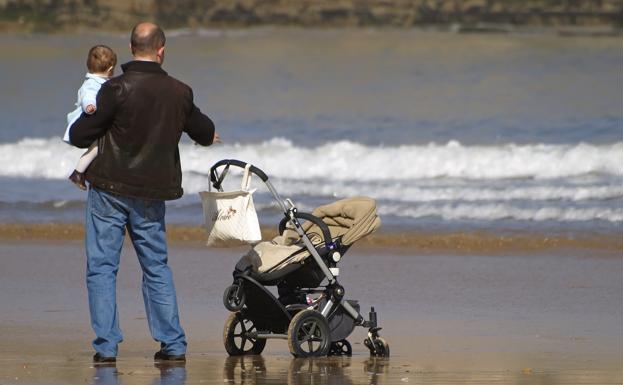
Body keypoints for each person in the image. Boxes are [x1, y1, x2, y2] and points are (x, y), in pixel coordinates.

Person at [69, 22, 219, 364]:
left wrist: (85, 116)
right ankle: (173, 344)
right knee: (156, 267)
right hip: (151, 194)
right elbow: (205, 131)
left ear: (132, 47)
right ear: (161, 50)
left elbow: (81, 135)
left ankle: (106, 348)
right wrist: (208, 134)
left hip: (108, 188)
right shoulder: (179, 92)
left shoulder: (115, 89)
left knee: (102, 268)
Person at [63, 45, 117, 190]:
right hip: (82, 124)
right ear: (111, 69)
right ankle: (78, 173)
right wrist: (90, 106)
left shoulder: (101, 82)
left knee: (97, 147)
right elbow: (88, 95)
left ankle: (81, 172)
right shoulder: (92, 83)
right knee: (99, 146)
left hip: (88, 124)